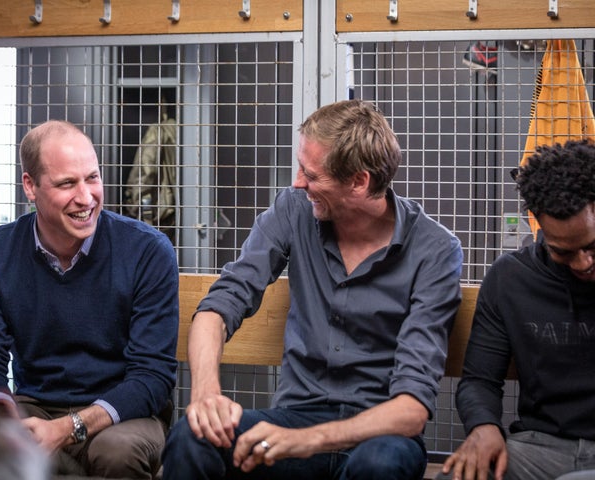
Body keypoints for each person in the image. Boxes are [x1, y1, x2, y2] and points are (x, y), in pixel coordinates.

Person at [162, 99, 463, 480]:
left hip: (378, 433)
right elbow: (220, 304)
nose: (298, 182)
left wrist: (310, 440)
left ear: (358, 181)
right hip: (294, 416)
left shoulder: (435, 249)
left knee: (380, 465)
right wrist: (206, 393)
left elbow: (411, 411)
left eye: (311, 174)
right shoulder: (294, 208)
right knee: (192, 436)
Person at [0, 120, 179, 479]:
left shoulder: (147, 251)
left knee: (115, 452)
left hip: (123, 413)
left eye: (92, 178)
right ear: (30, 186)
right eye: (66, 183)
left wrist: (67, 428)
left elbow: (152, 376)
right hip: (36, 404)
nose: (86, 197)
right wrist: (2, 413)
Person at [438, 139, 595, 480]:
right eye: (563, 253)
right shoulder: (510, 278)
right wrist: (483, 426)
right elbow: (479, 381)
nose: (583, 263)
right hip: (540, 448)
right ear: (537, 222)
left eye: (591, 247)